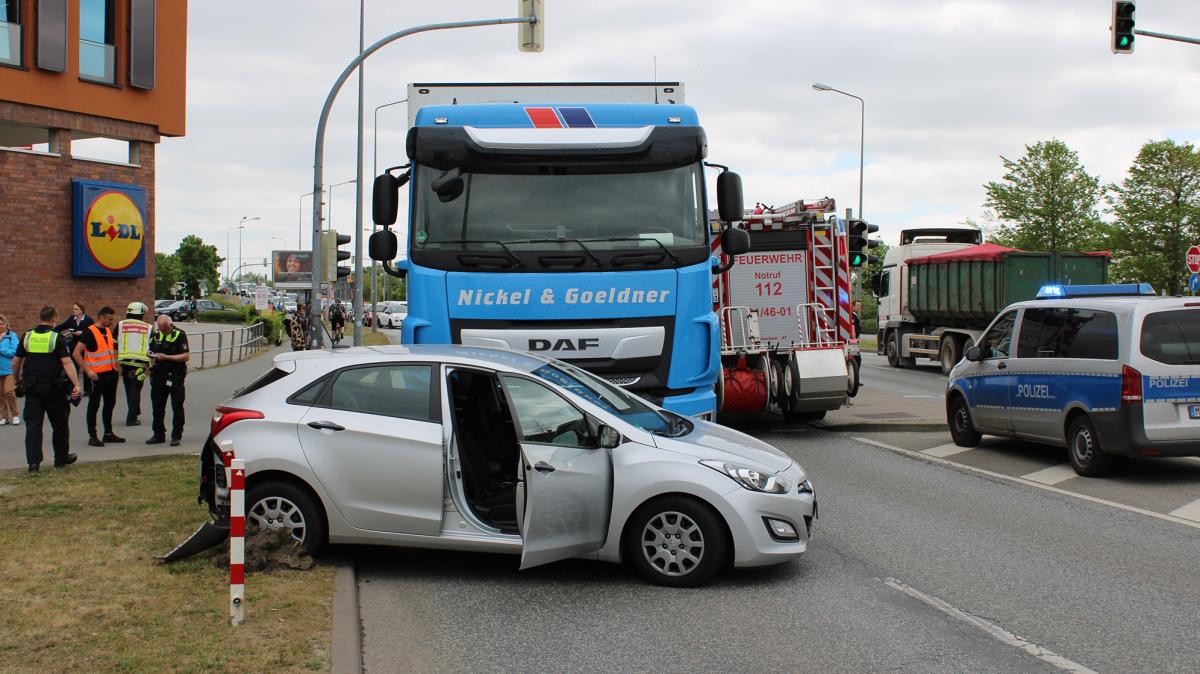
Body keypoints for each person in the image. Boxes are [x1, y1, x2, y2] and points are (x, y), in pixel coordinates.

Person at [12, 306, 81, 472]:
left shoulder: (27, 336)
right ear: (54, 318)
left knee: (34, 426)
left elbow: (16, 361)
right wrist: (77, 384)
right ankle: (61, 459)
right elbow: (67, 362)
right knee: (60, 423)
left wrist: (16, 380)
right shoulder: (56, 337)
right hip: (54, 388)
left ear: (40, 317)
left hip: (32, 388)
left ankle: (33, 463)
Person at [74, 306, 124, 447]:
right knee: (94, 405)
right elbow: (76, 353)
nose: (111, 322)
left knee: (110, 403)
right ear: (101, 317)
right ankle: (92, 435)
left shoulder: (107, 331)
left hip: (110, 373)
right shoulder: (89, 332)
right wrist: (88, 371)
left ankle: (108, 433)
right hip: (96, 375)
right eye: (109, 319)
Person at [147, 314, 190, 446]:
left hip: (175, 375)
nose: (163, 331)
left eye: (165, 329)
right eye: (161, 328)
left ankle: (176, 435)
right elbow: (149, 350)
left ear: (170, 325)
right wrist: (150, 355)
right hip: (159, 375)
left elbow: (186, 356)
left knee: (177, 406)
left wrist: (167, 357)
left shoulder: (179, 335)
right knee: (157, 406)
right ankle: (158, 434)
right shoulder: (155, 334)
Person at [117, 302, 152, 427]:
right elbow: (152, 346)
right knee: (136, 389)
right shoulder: (148, 327)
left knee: (128, 388)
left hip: (125, 363)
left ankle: (134, 411)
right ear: (141, 313)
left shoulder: (120, 325)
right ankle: (132, 418)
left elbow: (115, 343)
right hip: (140, 365)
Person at [54, 303, 93, 397]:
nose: (74, 311)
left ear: (81, 310)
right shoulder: (72, 319)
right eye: (73, 309)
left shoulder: (88, 320)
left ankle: (88, 390)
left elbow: (92, 331)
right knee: (73, 367)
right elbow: (62, 326)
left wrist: (83, 332)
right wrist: (51, 330)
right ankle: (73, 388)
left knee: (85, 367)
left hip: (84, 347)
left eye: (76, 309)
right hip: (74, 346)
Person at [0, 314, 19, 426]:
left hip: (9, 369)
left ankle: (15, 415)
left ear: (6, 324)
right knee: (0, 394)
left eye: (3, 323)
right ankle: (4, 417)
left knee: (8, 391)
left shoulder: (12, 336)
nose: (1, 326)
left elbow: (15, 351)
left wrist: (1, 349)